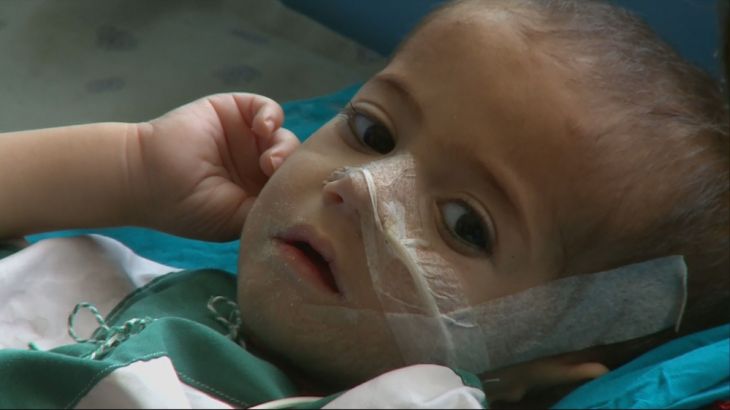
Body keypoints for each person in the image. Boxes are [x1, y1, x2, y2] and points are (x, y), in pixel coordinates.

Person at [0, 0, 727, 407]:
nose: (359, 191)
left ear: (541, 367)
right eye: (374, 133)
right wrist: (130, 170)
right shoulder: (143, 287)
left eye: (464, 225)